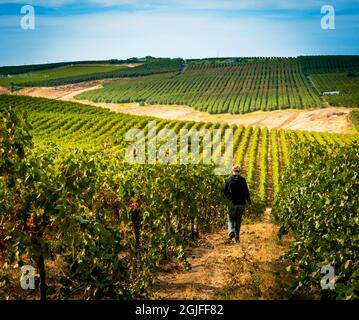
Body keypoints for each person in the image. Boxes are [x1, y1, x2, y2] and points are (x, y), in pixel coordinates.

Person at [223, 164, 252, 243]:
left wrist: (228, 198)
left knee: (230, 218)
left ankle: (231, 231)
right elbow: (246, 192)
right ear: (239, 171)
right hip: (241, 203)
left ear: (232, 171)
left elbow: (224, 191)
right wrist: (249, 202)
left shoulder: (227, 179)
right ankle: (237, 238)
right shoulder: (243, 180)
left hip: (232, 202)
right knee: (238, 220)